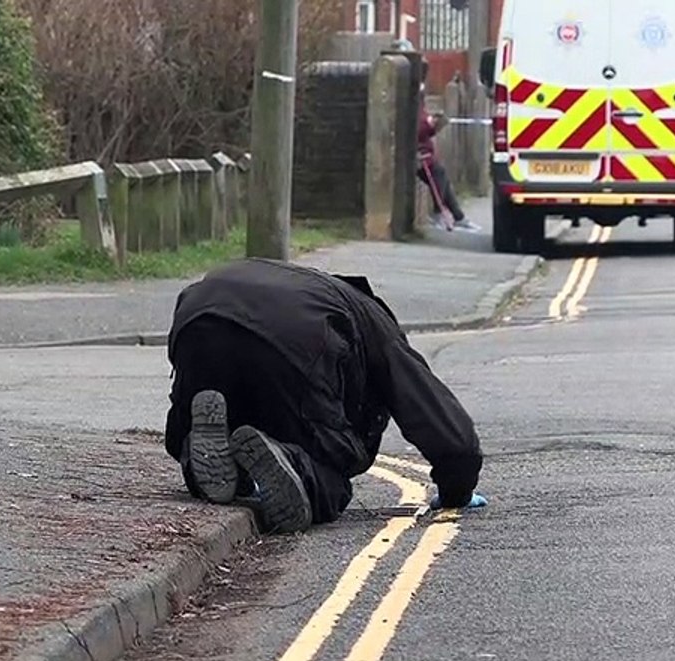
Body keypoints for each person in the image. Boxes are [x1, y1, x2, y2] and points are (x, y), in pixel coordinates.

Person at [163, 258, 488, 534]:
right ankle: (295, 464)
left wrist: (180, 436)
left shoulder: (304, 283)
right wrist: (457, 487)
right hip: (298, 332)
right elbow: (426, 406)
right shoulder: (366, 316)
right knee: (329, 470)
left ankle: (198, 456)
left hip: (200, 312)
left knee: (213, 419)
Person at [418, 76, 482, 233]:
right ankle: (439, 213)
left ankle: (458, 217)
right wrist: (429, 124)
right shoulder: (412, 110)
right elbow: (418, 130)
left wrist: (434, 124)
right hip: (419, 155)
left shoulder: (420, 109)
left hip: (426, 153)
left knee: (443, 177)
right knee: (439, 174)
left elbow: (425, 129)